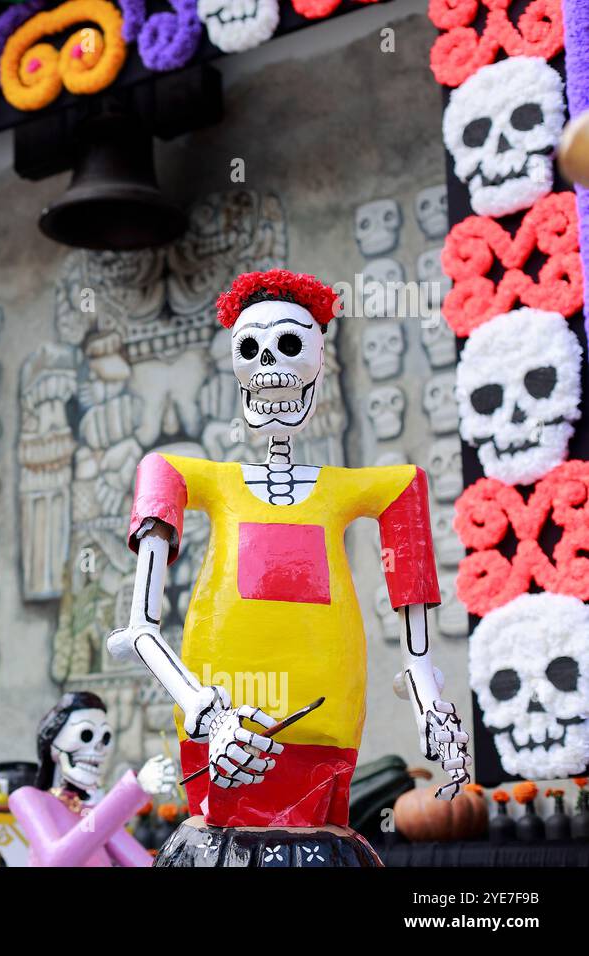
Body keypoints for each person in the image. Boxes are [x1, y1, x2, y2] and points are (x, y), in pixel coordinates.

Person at [107, 269, 471, 866]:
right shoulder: (199, 478)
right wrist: (210, 714)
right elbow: (140, 629)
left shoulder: (346, 489)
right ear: (235, 367)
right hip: (223, 721)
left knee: (315, 841)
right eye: (250, 349)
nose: (269, 364)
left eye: (289, 345)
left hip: (326, 711)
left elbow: (407, 490)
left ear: (317, 364)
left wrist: (429, 694)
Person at [9, 692, 164, 866]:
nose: (98, 747)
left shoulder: (93, 813)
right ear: (53, 746)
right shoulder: (28, 798)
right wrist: (132, 788)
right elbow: (57, 862)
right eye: (86, 735)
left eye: (105, 738)